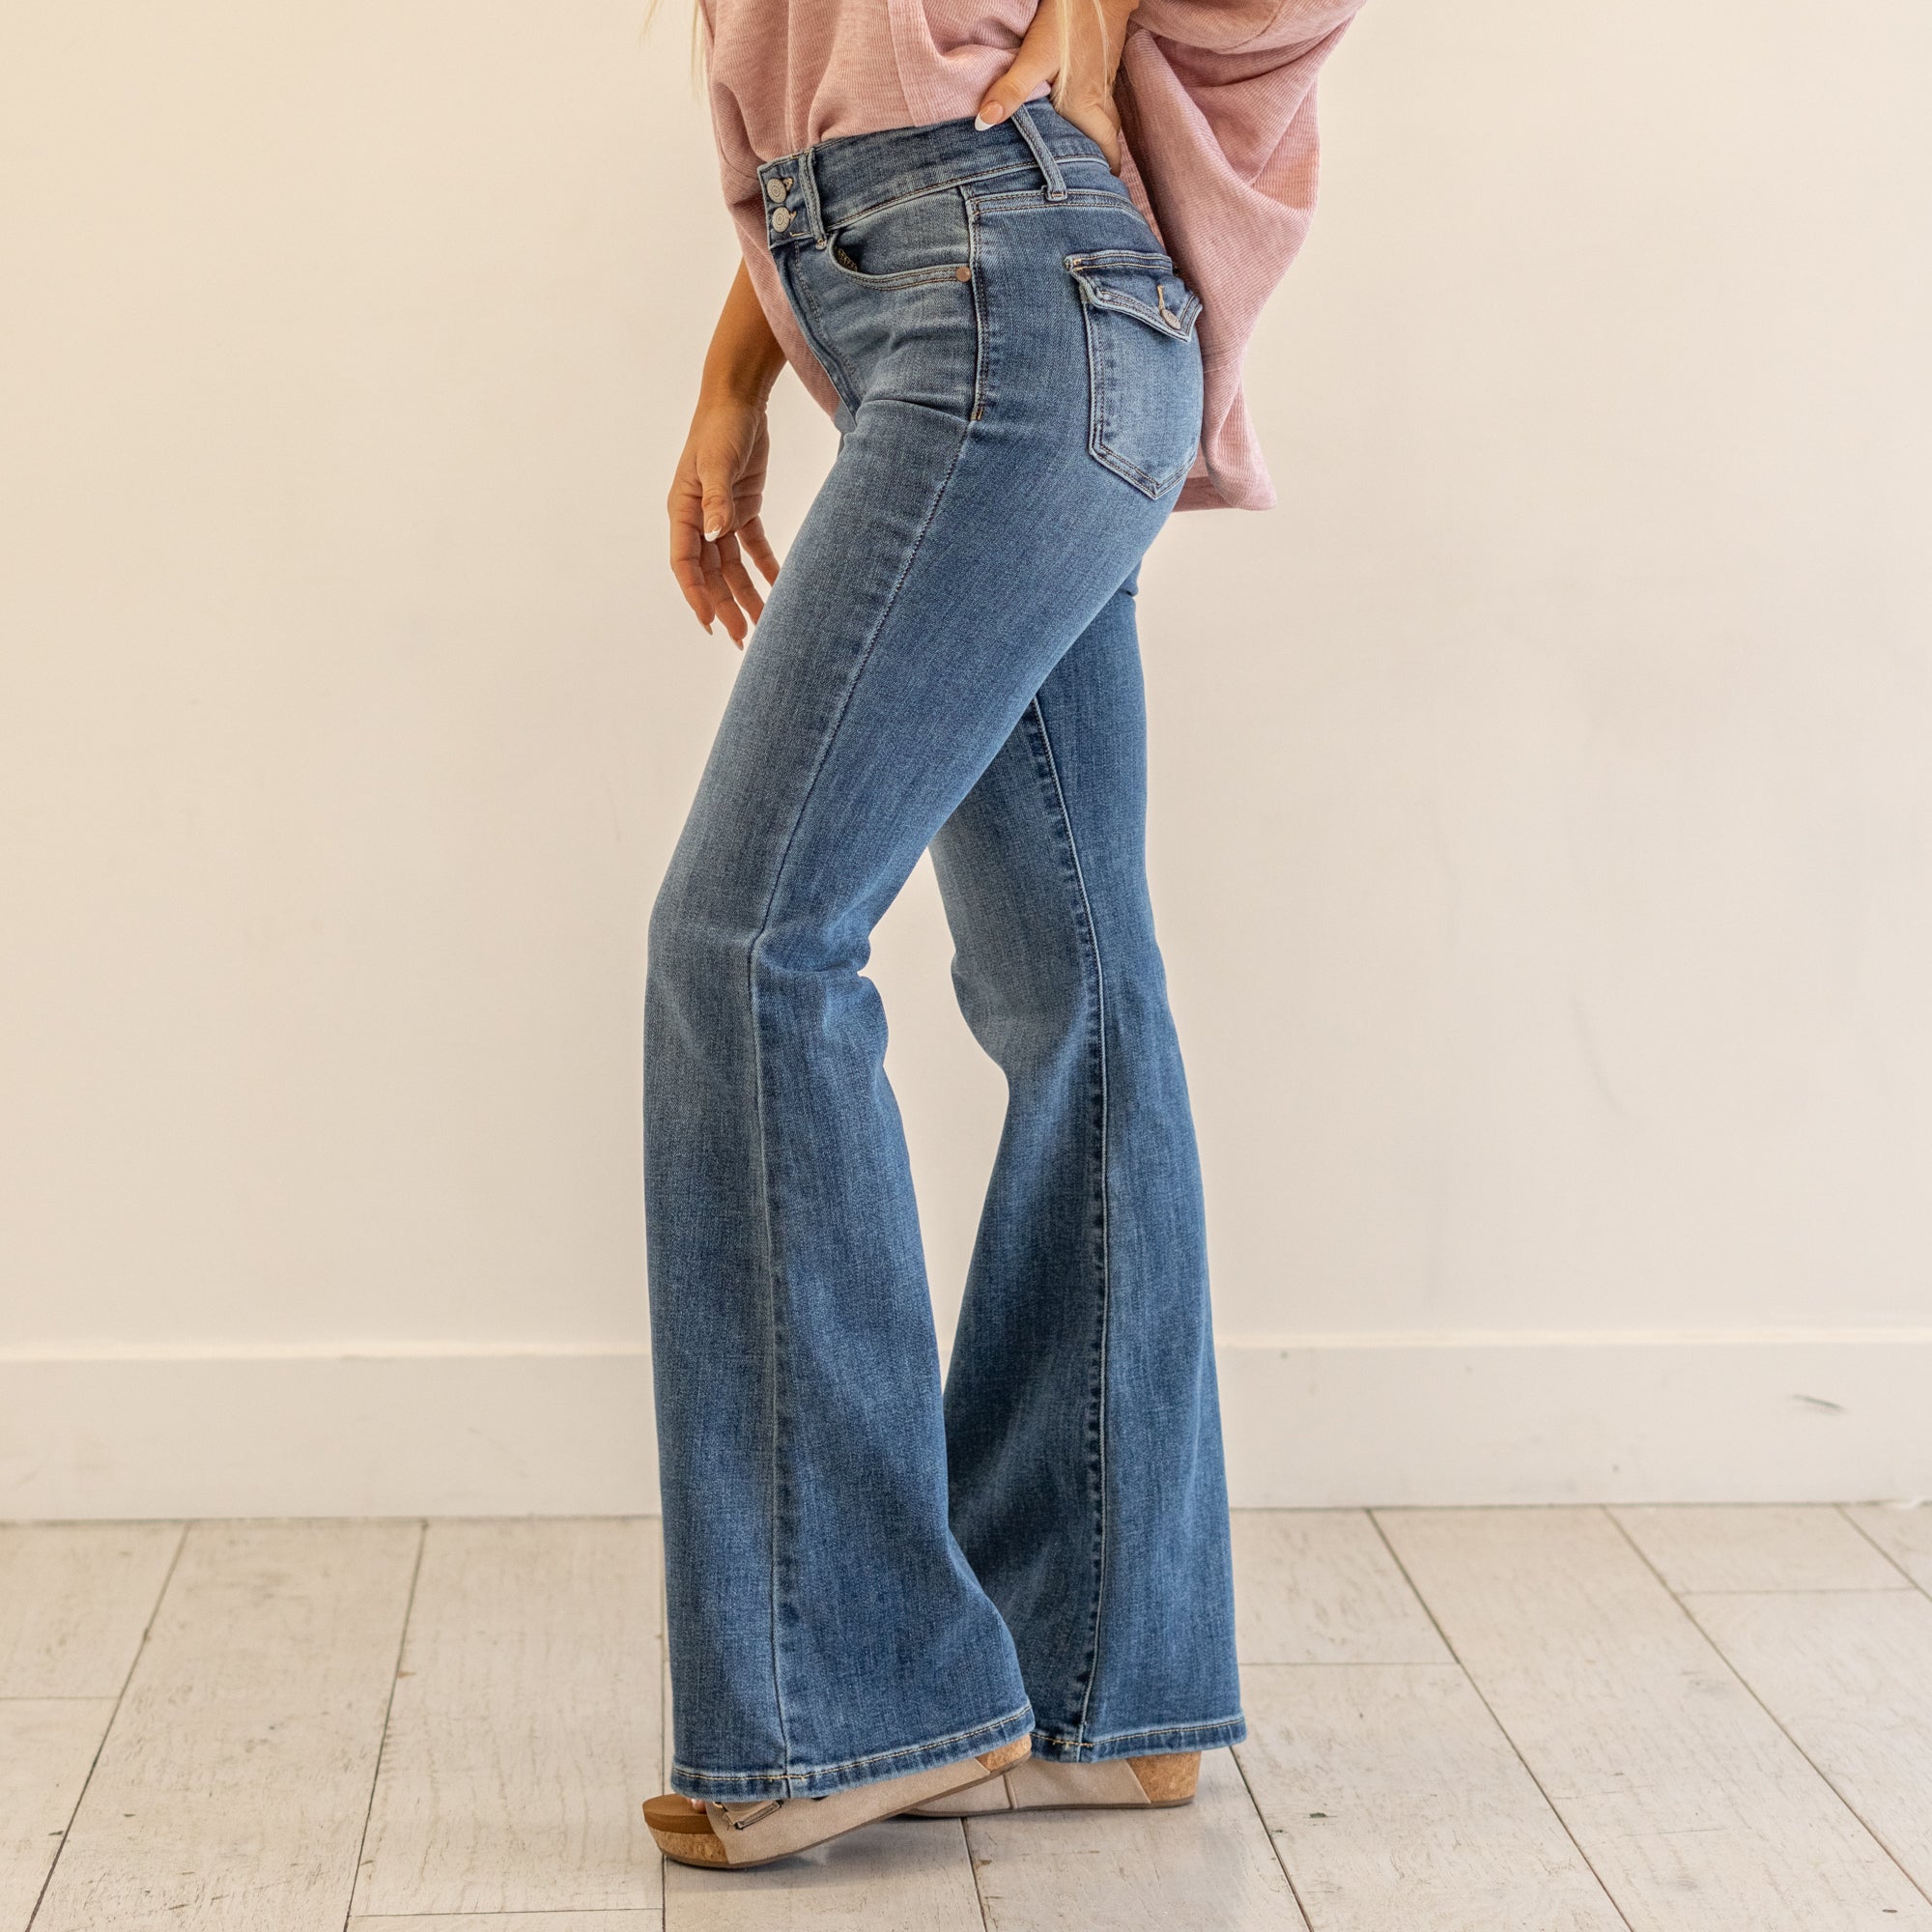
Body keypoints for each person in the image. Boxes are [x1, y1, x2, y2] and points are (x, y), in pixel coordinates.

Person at [640, 0, 1366, 1869]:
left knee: (750, 942)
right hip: (950, 306)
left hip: (1001, 305)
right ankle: (1099, 1683)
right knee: (1074, 992)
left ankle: (849, 1700)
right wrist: (735, 368)